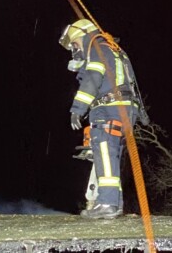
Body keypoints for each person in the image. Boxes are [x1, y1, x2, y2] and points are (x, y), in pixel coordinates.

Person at [58, 18, 146, 219]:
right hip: (123, 109)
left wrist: (78, 108)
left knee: (104, 151)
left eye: (74, 44)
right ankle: (114, 204)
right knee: (111, 155)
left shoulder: (96, 47)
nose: (74, 49)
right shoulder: (112, 48)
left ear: (81, 36)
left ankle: (107, 203)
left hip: (109, 108)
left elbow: (93, 78)